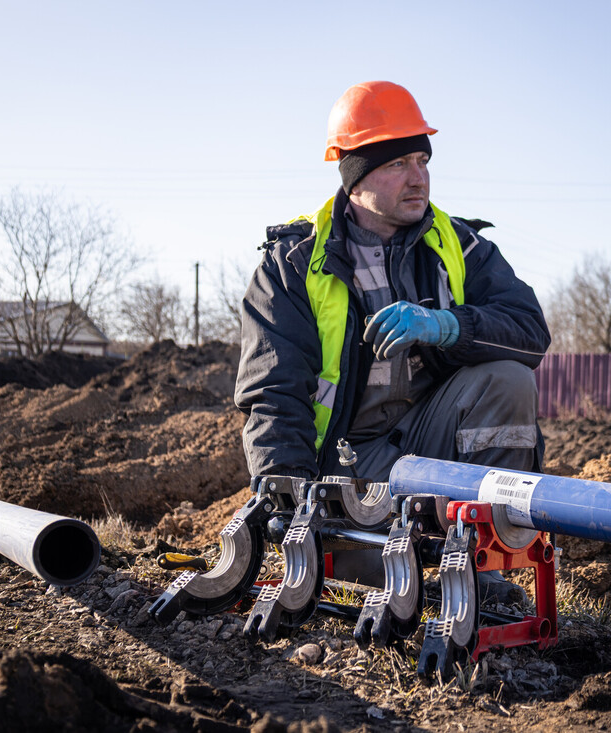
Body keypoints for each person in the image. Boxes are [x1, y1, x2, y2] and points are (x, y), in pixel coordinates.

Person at [235, 81, 551, 593]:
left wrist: (452, 326)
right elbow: (272, 394)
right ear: (355, 175)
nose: (418, 178)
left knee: (508, 380)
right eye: (397, 164)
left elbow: (530, 332)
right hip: (345, 466)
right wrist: (289, 503)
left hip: (431, 447)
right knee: (366, 579)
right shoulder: (292, 266)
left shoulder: (459, 245)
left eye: (422, 161)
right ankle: (374, 550)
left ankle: (480, 565)